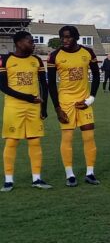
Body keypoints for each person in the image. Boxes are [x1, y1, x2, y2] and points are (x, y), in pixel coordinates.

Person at [47, 25, 101, 187]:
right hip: (65, 103)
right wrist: (57, 108)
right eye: (63, 37)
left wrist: (90, 99)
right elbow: (51, 85)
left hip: (84, 103)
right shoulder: (54, 55)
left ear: (76, 37)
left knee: (89, 137)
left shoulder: (88, 53)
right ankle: (69, 175)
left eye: (69, 37)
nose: (65, 40)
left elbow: (97, 76)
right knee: (67, 138)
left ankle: (90, 173)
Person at [1, 31, 50, 191]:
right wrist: (27, 97)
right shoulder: (6, 60)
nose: (33, 44)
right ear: (19, 43)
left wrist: (44, 107)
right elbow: (3, 86)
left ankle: (37, 179)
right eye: (30, 42)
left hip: (34, 107)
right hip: (14, 107)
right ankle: (9, 180)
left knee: (35, 141)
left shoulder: (36, 60)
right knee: (12, 141)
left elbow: (43, 85)